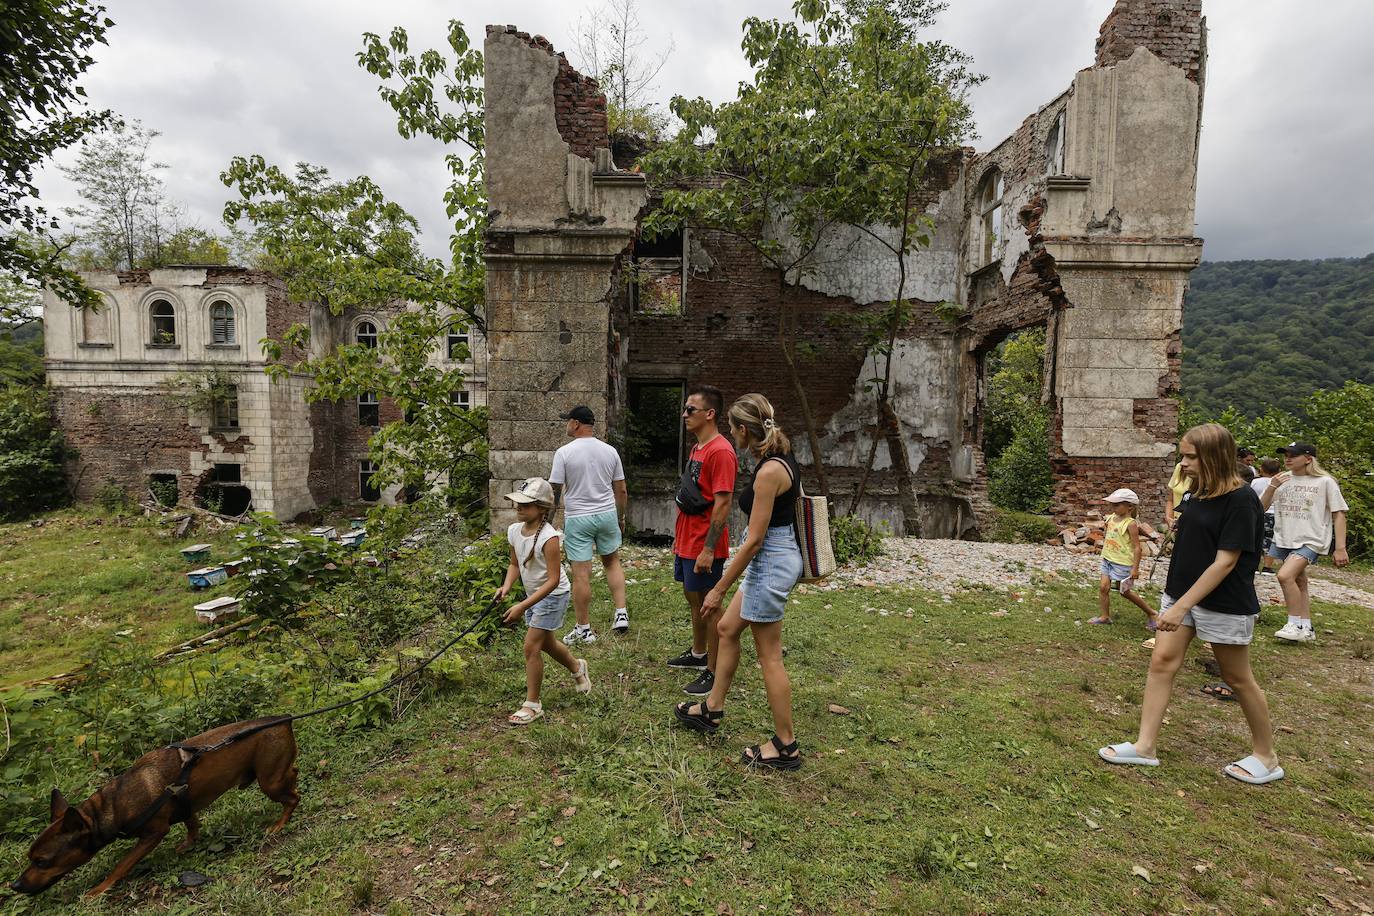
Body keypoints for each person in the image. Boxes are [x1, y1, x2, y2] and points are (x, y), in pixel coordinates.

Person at [1099, 423, 1281, 785]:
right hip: (1180, 593)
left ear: (1215, 456)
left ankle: (1267, 756)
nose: (1183, 464)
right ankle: (1145, 746)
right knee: (1162, 662)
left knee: (1236, 677)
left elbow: (1226, 561)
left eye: (1190, 456)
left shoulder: (1242, 501)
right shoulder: (1198, 493)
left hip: (1223, 602)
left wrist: (1181, 607)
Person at [673, 394, 803, 771]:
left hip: (771, 560)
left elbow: (754, 541)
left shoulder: (769, 471)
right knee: (728, 628)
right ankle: (711, 709)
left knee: (770, 656)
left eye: (732, 428)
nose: (731, 434)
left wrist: (718, 587)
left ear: (744, 429)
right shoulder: (777, 458)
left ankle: (786, 745)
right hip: (771, 559)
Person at [495, 477, 591, 725]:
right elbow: (515, 564)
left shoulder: (550, 538)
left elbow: (552, 580)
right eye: (518, 504)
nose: (519, 509)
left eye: (526, 505)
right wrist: (506, 587)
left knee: (531, 646)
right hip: (533, 595)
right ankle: (577, 667)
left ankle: (533, 704)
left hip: (552, 595)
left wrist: (522, 606)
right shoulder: (514, 531)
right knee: (546, 643)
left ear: (542, 508)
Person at [666, 385, 737, 697]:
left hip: (704, 543)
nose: (684, 414)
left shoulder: (720, 451)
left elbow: (722, 504)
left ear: (710, 414)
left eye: (690, 409)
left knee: (709, 605)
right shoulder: (698, 448)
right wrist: (680, 539)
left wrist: (709, 548)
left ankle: (713, 669)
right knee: (693, 598)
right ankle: (698, 654)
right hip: (688, 537)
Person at [549, 405, 630, 644]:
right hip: (606, 514)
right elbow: (621, 489)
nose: (566, 425)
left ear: (576, 424)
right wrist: (620, 517)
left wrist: (549, 523)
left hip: (579, 518)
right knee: (612, 562)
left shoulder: (564, 453)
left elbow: (554, 491)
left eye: (568, 421)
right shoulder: (610, 451)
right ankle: (621, 614)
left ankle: (584, 628)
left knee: (581, 574)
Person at [1263, 441, 1350, 643]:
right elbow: (1260, 508)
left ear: (1308, 458)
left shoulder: (1325, 482)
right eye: (1286, 454)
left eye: (1293, 454)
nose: (1288, 458)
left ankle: (1293, 624)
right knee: (1299, 581)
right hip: (1285, 537)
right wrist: (1271, 487)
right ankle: (1307, 628)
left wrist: (1340, 548)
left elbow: (1339, 514)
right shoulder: (1282, 480)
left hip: (1312, 538)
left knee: (1284, 576)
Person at [1088, 488, 1158, 629]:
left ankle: (1152, 613)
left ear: (1130, 507)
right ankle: (1105, 616)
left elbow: (1137, 547)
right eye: (1112, 505)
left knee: (1124, 592)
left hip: (1122, 563)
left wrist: (1135, 568)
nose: (1113, 508)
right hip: (1107, 559)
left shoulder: (1130, 524)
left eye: (1117, 505)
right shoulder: (1110, 518)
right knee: (1103, 587)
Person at [1252, 457, 1281, 575]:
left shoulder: (1255, 481)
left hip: (1259, 512)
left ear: (1262, 469)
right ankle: (1267, 567)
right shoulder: (1278, 482)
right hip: (1274, 514)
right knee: (1270, 539)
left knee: (1256, 538)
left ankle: (1254, 564)